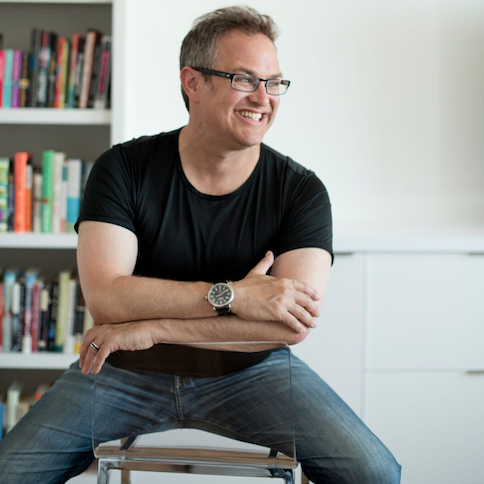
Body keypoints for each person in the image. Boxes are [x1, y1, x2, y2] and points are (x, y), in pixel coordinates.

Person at [0, 6, 401, 483]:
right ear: (193, 82)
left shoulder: (301, 191)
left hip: (251, 372)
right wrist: (237, 297)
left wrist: (153, 327)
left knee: (374, 472)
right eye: (244, 79)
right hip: (125, 370)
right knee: (10, 472)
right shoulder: (123, 169)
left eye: (274, 82)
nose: (264, 98)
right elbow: (107, 297)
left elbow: (289, 327)